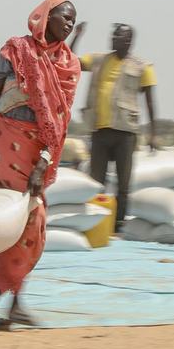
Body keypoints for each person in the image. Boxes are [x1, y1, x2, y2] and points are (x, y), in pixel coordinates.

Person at [0, 0, 81, 329]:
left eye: (73, 20)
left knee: (28, 227)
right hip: (6, 144)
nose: (69, 25)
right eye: (64, 17)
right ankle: (5, 305)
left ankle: (0, 307)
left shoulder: (69, 66)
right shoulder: (15, 51)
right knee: (26, 219)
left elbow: (58, 123)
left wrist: (44, 161)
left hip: (37, 152)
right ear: (44, 18)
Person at [67, 23, 158, 232]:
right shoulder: (99, 60)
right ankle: (94, 223)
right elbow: (70, 62)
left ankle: (117, 225)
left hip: (126, 133)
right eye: (113, 35)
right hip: (100, 131)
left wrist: (154, 133)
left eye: (118, 36)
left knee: (123, 184)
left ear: (128, 41)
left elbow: (150, 102)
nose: (113, 39)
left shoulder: (142, 66)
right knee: (95, 181)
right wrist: (77, 36)